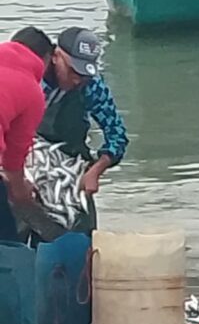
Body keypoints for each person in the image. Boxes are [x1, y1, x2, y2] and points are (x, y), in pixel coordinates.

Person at [20, 26, 128, 240]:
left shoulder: (92, 86)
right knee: (15, 242)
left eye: (84, 74)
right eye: (72, 71)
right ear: (55, 56)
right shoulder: (30, 81)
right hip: (27, 162)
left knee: (78, 242)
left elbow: (117, 135)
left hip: (72, 168)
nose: (78, 80)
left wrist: (96, 170)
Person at [0, 26, 54, 241]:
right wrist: (20, 190)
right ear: (46, 59)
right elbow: (13, 160)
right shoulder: (32, 91)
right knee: (7, 241)